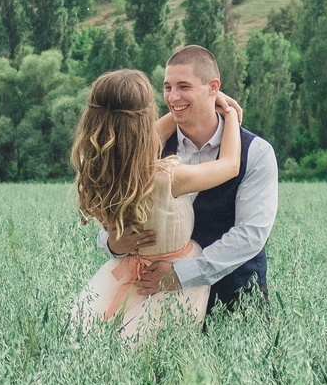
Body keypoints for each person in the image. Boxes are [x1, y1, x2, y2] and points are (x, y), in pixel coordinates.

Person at [69, 68, 243, 341]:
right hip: (173, 278)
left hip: (122, 274)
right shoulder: (166, 178)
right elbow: (230, 166)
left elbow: (135, 141)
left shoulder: (92, 167)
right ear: (145, 119)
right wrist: (229, 114)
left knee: (92, 348)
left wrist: (190, 106)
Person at [106, 44, 278, 319]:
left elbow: (251, 234)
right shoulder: (148, 148)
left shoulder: (256, 152)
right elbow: (112, 211)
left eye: (184, 86)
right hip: (155, 301)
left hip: (235, 299)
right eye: (167, 87)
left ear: (213, 88)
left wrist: (181, 274)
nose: (173, 97)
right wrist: (113, 242)